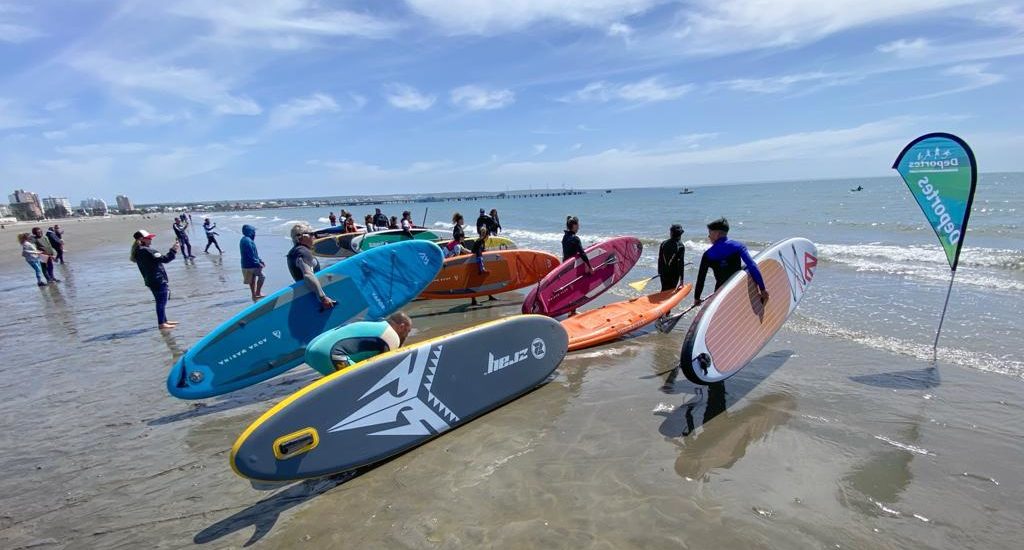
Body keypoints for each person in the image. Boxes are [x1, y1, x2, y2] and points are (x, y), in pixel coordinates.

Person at [307, 312, 413, 376]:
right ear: (402, 326)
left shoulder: (375, 326)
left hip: (310, 353)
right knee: (364, 383)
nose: (406, 336)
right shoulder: (391, 336)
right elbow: (389, 368)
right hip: (332, 354)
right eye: (407, 332)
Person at [693, 217, 768, 307]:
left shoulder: (707, 254)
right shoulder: (738, 246)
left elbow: (701, 278)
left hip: (720, 293)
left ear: (717, 234)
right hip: (737, 289)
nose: (708, 236)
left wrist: (697, 298)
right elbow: (752, 266)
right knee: (746, 267)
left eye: (710, 233)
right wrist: (762, 289)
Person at [131, 229, 180, 329]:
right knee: (161, 301)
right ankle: (161, 323)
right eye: (149, 238)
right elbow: (165, 259)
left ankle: (164, 320)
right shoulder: (146, 250)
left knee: (160, 301)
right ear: (142, 239)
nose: (151, 240)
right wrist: (174, 250)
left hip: (150, 280)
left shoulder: (138, 251)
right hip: (157, 280)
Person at [287, 223, 336, 310]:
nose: (314, 236)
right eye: (311, 234)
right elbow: (308, 274)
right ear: (300, 237)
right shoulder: (302, 252)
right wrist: (323, 298)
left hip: (306, 295)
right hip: (314, 297)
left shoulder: (294, 252)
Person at [239, 224, 266, 302]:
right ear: (250, 232)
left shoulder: (244, 239)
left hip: (245, 264)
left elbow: (254, 254)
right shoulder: (248, 241)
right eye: (253, 231)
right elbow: (250, 254)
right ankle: (258, 292)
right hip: (250, 265)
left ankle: (254, 295)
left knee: (252, 280)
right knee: (262, 276)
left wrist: (260, 260)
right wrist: (258, 263)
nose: (255, 233)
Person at [658, 224, 686, 291]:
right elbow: (681, 264)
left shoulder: (664, 243)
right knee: (670, 291)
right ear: (680, 234)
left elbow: (660, 259)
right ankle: (665, 301)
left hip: (663, 273)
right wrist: (681, 280)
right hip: (674, 274)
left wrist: (660, 272)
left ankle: (661, 300)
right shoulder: (680, 246)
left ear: (671, 233)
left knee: (664, 289)